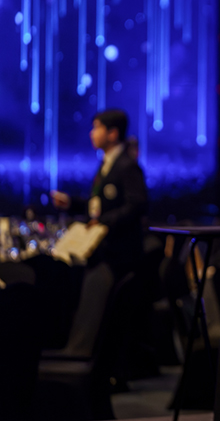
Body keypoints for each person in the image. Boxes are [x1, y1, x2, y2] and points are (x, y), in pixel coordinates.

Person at [50, 108, 148, 357]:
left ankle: (82, 352)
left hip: (118, 255)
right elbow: (100, 205)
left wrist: (103, 222)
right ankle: (80, 349)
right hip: (105, 252)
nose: (92, 133)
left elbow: (137, 205)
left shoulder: (126, 166)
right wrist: (72, 204)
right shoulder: (107, 164)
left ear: (112, 133)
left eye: (97, 128)